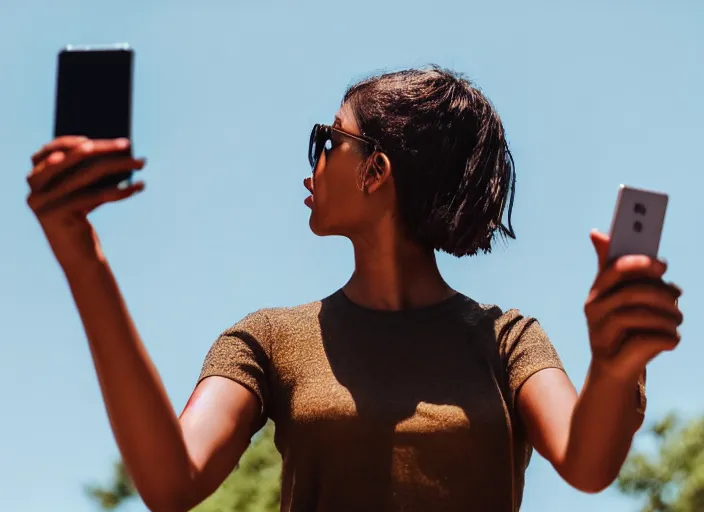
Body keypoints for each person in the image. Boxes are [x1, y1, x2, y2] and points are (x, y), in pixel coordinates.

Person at [26, 66, 683, 512]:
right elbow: (171, 482)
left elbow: (588, 464)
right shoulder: (269, 340)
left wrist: (617, 360)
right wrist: (84, 261)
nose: (311, 161)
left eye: (326, 140)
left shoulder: (506, 342)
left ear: (375, 170)